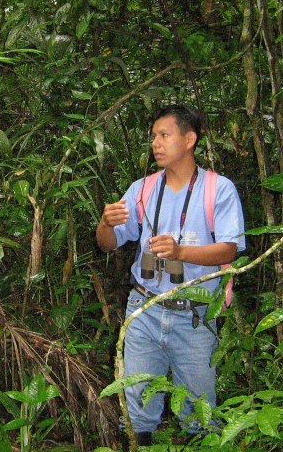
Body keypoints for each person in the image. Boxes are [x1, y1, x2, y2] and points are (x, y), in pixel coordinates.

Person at [96, 105, 245, 445]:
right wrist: (105, 222)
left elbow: (228, 250)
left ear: (190, 139)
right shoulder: (142, 189)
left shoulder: (217, 190)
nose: (156, 143)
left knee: (200, 411)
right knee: (135, 406)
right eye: (153, 137)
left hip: (194, 315)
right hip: (144, 309)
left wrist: (180, 252)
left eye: (164, 135)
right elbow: (107, 244)